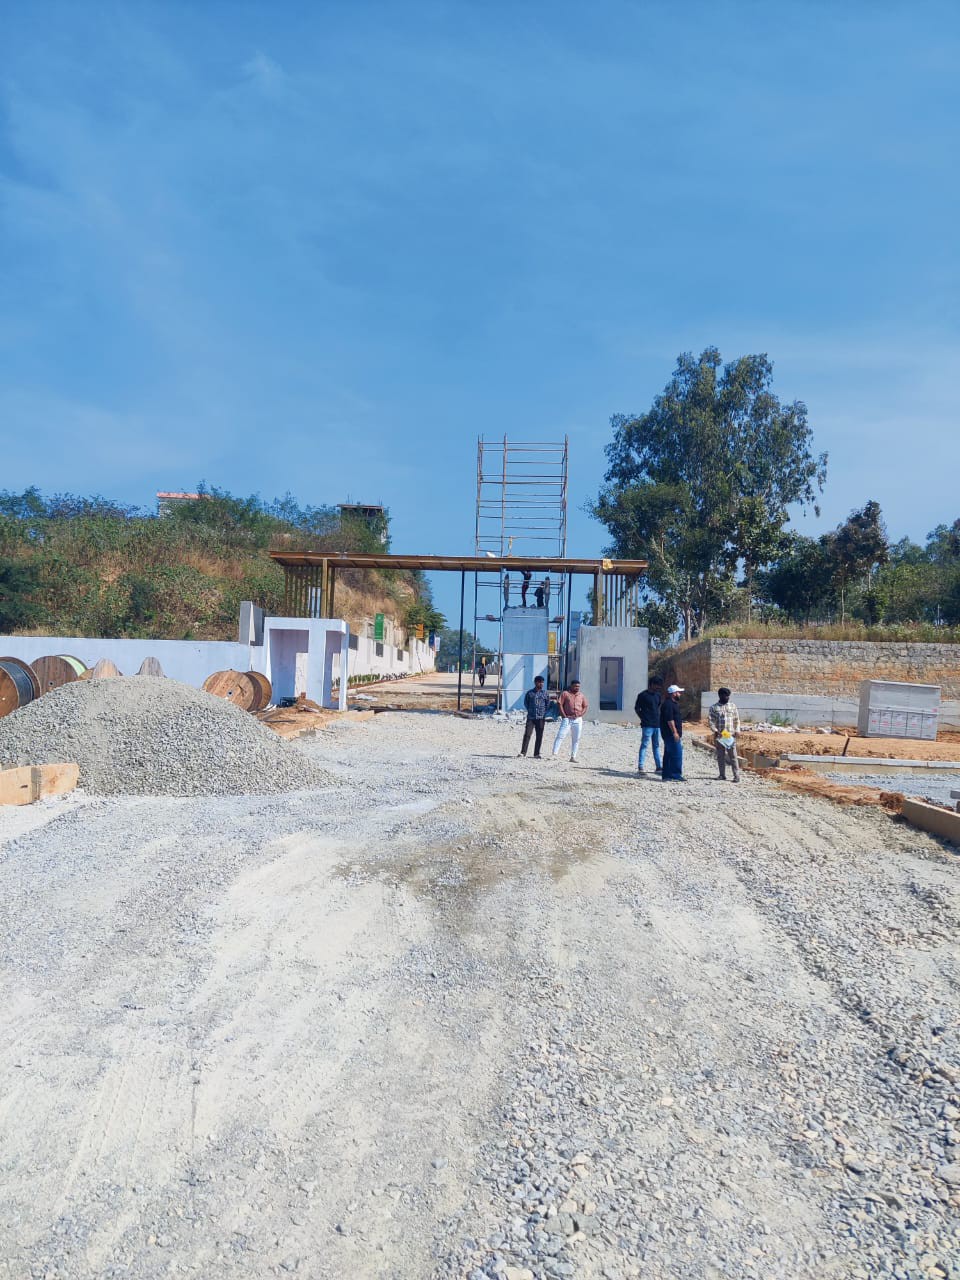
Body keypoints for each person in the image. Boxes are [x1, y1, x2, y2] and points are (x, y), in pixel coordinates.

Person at [709, 686, 741, 781]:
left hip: (730, 735)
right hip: (720, 736)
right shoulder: (714, 708)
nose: (727, 697)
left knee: (733, 756)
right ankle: (722, 775)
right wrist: (715, 731)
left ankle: (736, 776)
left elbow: (737, 720)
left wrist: (737, 730)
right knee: (720, 756)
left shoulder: (733, 706)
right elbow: (711, 721)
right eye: (725, 695)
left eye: (728, 696)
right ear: (720, 695)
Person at [552, 679, 588, 762]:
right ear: (571, 686)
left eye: (578, 686)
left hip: (577, 720)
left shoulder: (581, 695)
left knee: (576, 739)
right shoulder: (565, 694)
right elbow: (560, 704)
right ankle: (554, 754)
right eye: (575, 686)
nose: (577, 688)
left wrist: (581, 714)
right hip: (567, 719)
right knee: (560, 736)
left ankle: (573, 757)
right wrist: (564, 716)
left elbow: (585, 706)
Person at [634, 675, 664, 774]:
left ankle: (659, 767)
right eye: (657, 685)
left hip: (657, 724)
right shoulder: (642, 695)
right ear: (651, 684)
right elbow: (637, 709)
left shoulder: (658, 695)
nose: (658, 687)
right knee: (644, 745)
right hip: (647, 725)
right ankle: (641, 767)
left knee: (656, 746)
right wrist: (643, 718)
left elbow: (658, 706)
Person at [518, 675, 553, 758]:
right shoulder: (530, 693)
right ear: (535, 682)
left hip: (541, 718)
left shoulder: (545, 693)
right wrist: (531, 711)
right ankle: (523, 752)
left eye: (542, 682)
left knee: (539, 735)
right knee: (527, 734)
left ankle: (536, 754)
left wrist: (543, 712)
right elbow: (526, 703)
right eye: (540, 682)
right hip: (531, 717)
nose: (541, 684)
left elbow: (547, 704)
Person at [660, 684, 686, 781]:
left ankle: (666, 775)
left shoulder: (672, 704)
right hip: (670, 734)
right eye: (679, 692)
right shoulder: (668, 704)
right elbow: (670, 720)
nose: (680, 694)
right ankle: (675, 775)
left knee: (668, 754)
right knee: (676, 754)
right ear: (674, 693)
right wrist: (675, 732)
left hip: (669, 734)